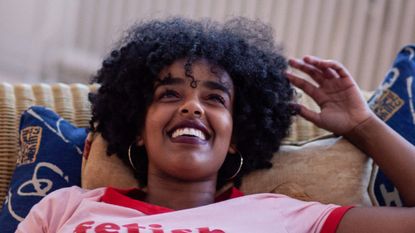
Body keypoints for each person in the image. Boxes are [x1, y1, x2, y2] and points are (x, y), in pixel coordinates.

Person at [16, 17, 415, 233]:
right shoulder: (67, 207)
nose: (193, 107)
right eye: (170, 94)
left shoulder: (287, 217)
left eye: (214, 98)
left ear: (237, 136)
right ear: (138, 126)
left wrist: (363, 125)